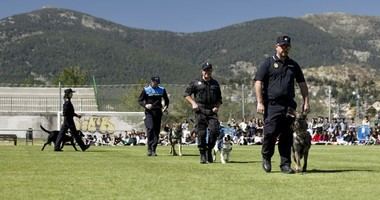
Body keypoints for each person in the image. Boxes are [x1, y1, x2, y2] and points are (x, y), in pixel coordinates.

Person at [254, 35, 310, 173]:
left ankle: (285, 164)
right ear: (276, 47)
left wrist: (306, 101)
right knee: (270, 133)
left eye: (287, 46)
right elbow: (258, 82)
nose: (285, 48)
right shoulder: (267, 63)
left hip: (289, 105)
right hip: (272, 105)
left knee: (287, 135)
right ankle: (266, 157)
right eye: (282, 46)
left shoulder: (293, 65)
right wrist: (260, 102)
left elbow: (302, 84)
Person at [184, 62, 222, 164]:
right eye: (205, 70)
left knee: (214, 131)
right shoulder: (196, 83)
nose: (207, 72)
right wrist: (193, 103)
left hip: (211, 111)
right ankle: (202, 154)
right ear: (202, 71)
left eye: (209, 70)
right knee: (201, 133)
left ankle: (209, 150)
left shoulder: (215, 83)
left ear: (211, 71)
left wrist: (217, 107)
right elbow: (186, 94)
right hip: (200, 110)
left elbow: (219, 98)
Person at [138, 76, 169, 156]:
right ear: (151, 82)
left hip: (158, 112)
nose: (156, 84)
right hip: (149, 112)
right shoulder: (146, 90)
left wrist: (165, 107)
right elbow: (140, 100)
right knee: (150, 128)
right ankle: (149, 148)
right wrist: (145, 105)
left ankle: (154, 149)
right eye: (155, 82)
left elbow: (166, 100)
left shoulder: (162, 90)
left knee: (156, 131)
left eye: (157, 83)